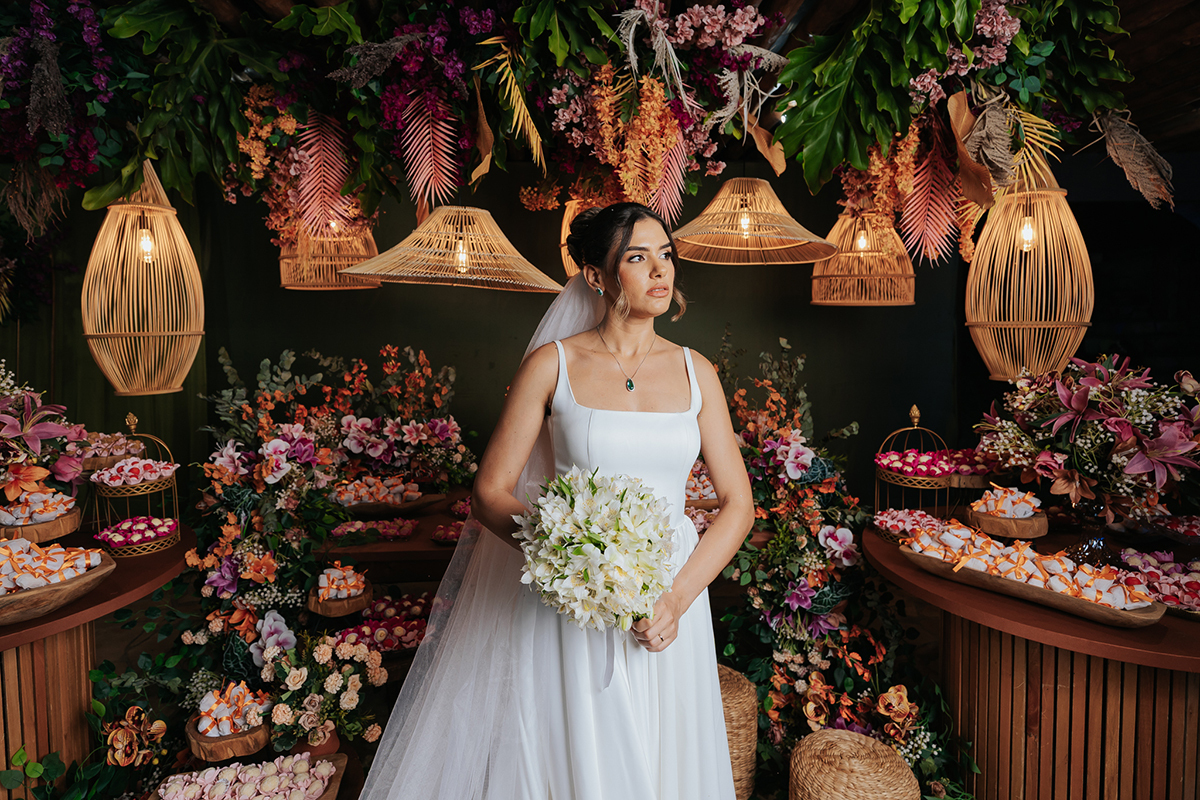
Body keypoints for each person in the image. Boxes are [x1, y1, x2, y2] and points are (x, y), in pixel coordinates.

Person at [360, 202, 754, 800]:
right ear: (598, 275)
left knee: (665, 755)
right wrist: (573, 551)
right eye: (637, 257)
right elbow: (489, 492)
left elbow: (737, 503)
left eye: (665, 255)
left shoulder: (698, 371)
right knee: (578, 762)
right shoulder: (554, 364)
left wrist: (676, 599)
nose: (659, 271)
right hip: (574, 599)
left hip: (673, 593)